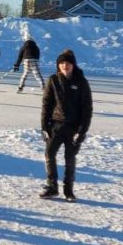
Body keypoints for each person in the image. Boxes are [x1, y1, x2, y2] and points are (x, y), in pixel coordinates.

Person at [40, 48, 93, 202]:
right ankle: (52, 187)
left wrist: (81, 132)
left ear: (73, 65)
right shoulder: (53, 80)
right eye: (62, 63)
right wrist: (44, 127)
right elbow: (46, 105)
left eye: (68, 63)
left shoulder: (81, 82)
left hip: (73, 128)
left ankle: (68, 190)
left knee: (69, 159)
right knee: (49, 154)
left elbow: (87, 109)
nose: (64, 66)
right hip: (55, 126)